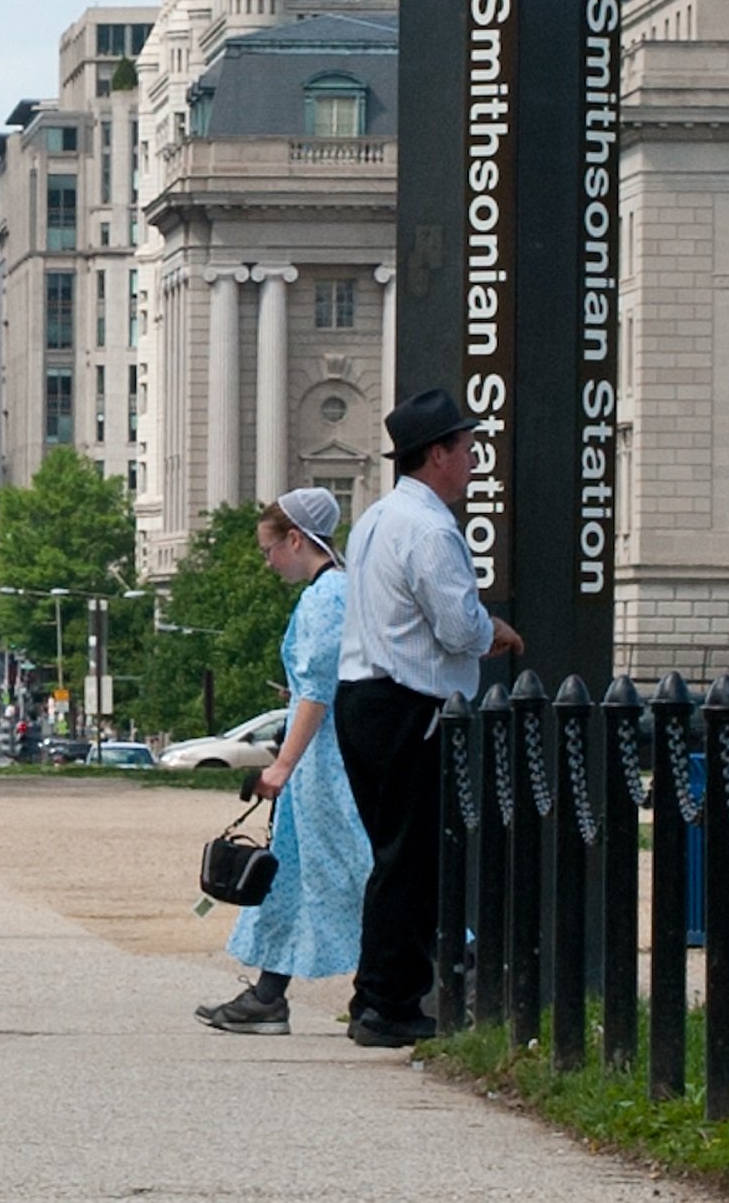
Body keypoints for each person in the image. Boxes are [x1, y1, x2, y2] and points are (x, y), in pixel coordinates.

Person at [335, 388, 523, 1048]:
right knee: (410, 860)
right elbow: (455, 624)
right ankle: (388, 1003)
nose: (473, 459)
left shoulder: (377, 520)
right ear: (436, 454)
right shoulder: (431, 529)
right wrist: (490, 628)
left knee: (395, 855)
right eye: (466, 448)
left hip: (363, 696)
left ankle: (377, 997)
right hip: (407, 701)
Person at [196, 488, 371, 1036]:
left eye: (270, 549)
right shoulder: (341, 591)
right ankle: (270, 994)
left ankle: (446, 969)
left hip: (326, 763)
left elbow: (317, 690)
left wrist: (282, 765)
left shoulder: (326, 597)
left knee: (358, 865)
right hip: (324, 760)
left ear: (296, 540)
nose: (267, 561)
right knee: (296, 873)